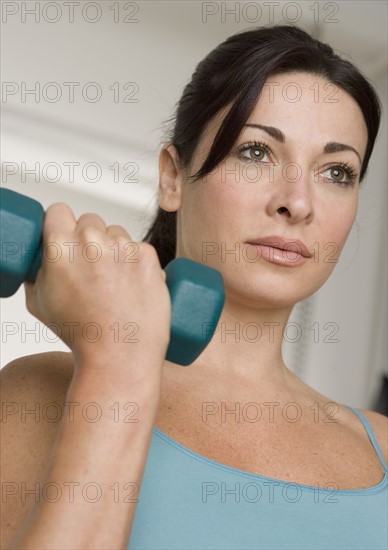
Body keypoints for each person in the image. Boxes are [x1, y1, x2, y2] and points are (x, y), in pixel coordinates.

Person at [1, 24, 387, 550]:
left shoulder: (383, 450)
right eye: (256, 152)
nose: (297, 203)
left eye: (337, 171)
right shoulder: (38, 393)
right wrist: (118, 364)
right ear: (172, 178)